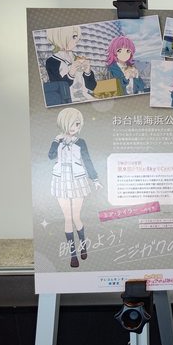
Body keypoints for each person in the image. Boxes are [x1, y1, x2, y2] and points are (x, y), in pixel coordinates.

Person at [48, 108, 102, 268]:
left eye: (77, 124)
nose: (74, 127)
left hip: (77, 179)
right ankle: (73, 254)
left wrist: (95, 179)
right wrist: (55, 141)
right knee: (67, 218)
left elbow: (87, 160)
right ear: (63, 123)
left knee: (76, 217)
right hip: (60, 180)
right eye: (71, 123)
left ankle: (83, 245)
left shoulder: (80, 142)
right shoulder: (57, 141)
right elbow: (50, 156)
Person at [45, 25, 97, 103]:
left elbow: (92, 87)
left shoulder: (77, 58)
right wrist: (71, 74)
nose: (76, 41)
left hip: (85, 98)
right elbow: (58, 90)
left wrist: (88, 72)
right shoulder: (52, 62)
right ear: (60, 37)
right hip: (67, 101)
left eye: (76, 37)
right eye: (74, 37)